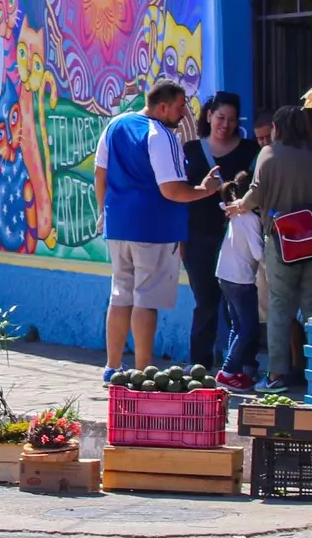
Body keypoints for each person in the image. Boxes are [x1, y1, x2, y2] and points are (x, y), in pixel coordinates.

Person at [93, 81, 224, 382]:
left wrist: (105, 213)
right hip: (154, 229)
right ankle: (143, 371)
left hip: (119, 226)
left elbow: (100, 174)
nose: (183, 115)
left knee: (120, 294)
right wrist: (205, 190)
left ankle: (113, 366)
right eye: (180, 108)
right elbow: (172, 190)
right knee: (145, 299)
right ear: (162, 107)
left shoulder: (115, 125)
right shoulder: (161, 135)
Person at [225, 106, 312, 393]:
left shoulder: (269, 154)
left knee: (280, 305)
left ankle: (277, 375)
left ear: (277, 129)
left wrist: (238, 206)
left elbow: (256, 194)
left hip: (284, 237)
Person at [181, 93, 261, 369]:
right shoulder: (190, 150)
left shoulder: (251, 152)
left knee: (239, 308)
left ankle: (240, 365)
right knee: (205, 301)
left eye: (231, 119)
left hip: (238, 240)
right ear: (209, 116)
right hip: (198, 238)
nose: (225, 124)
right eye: (220, 118)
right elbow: (179, 194)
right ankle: (199, 364)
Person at [214, 187, 265, 389]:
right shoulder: (250, 217)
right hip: (240, 279)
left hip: (225, 275)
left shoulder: (237, 213)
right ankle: (227, 372)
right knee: (249, 328)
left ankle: (233, 370)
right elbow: (258, 252)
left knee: (237, 326)